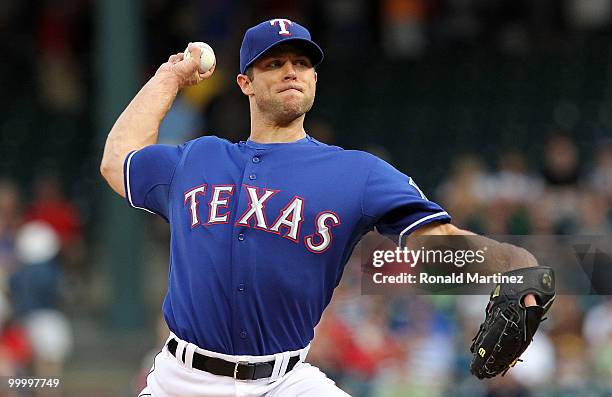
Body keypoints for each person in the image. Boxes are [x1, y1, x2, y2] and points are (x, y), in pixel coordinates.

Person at [100, 18, 539, 397]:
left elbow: (437, 242)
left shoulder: (357, 174)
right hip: (183, 381)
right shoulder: (198, 158)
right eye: (274, 63)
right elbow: (117, 161)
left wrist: (515, 263)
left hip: (284, 381)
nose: (291, 71)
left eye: (302, 63)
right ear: (245, 83)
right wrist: (171, 77)